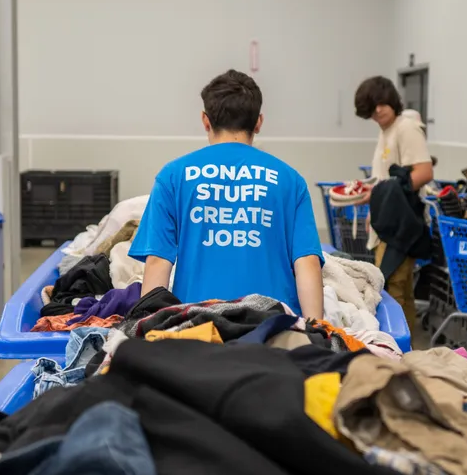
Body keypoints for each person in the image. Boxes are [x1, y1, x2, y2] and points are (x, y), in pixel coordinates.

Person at [129, 70, 324, 319]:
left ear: (205, 120)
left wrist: (148, 328)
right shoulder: (290, 180)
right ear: (258, 122)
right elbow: (307, 262)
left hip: (198, 325)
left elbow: (158, 261)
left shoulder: (173, 176)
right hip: (273, 329)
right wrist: (317, 330)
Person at [354, 75, 434, 328]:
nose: (377, 110)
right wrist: (373, 211)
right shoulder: (386, 132)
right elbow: (384, 181)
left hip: (402, 223)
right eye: (371, 107)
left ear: (392, 100)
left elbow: (423, 172)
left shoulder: (405, 128)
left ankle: (398, 350)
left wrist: (379, 197)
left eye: (381, 103)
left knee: (390, 289)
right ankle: (408, 349)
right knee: (400, 290)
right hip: (388, 222)